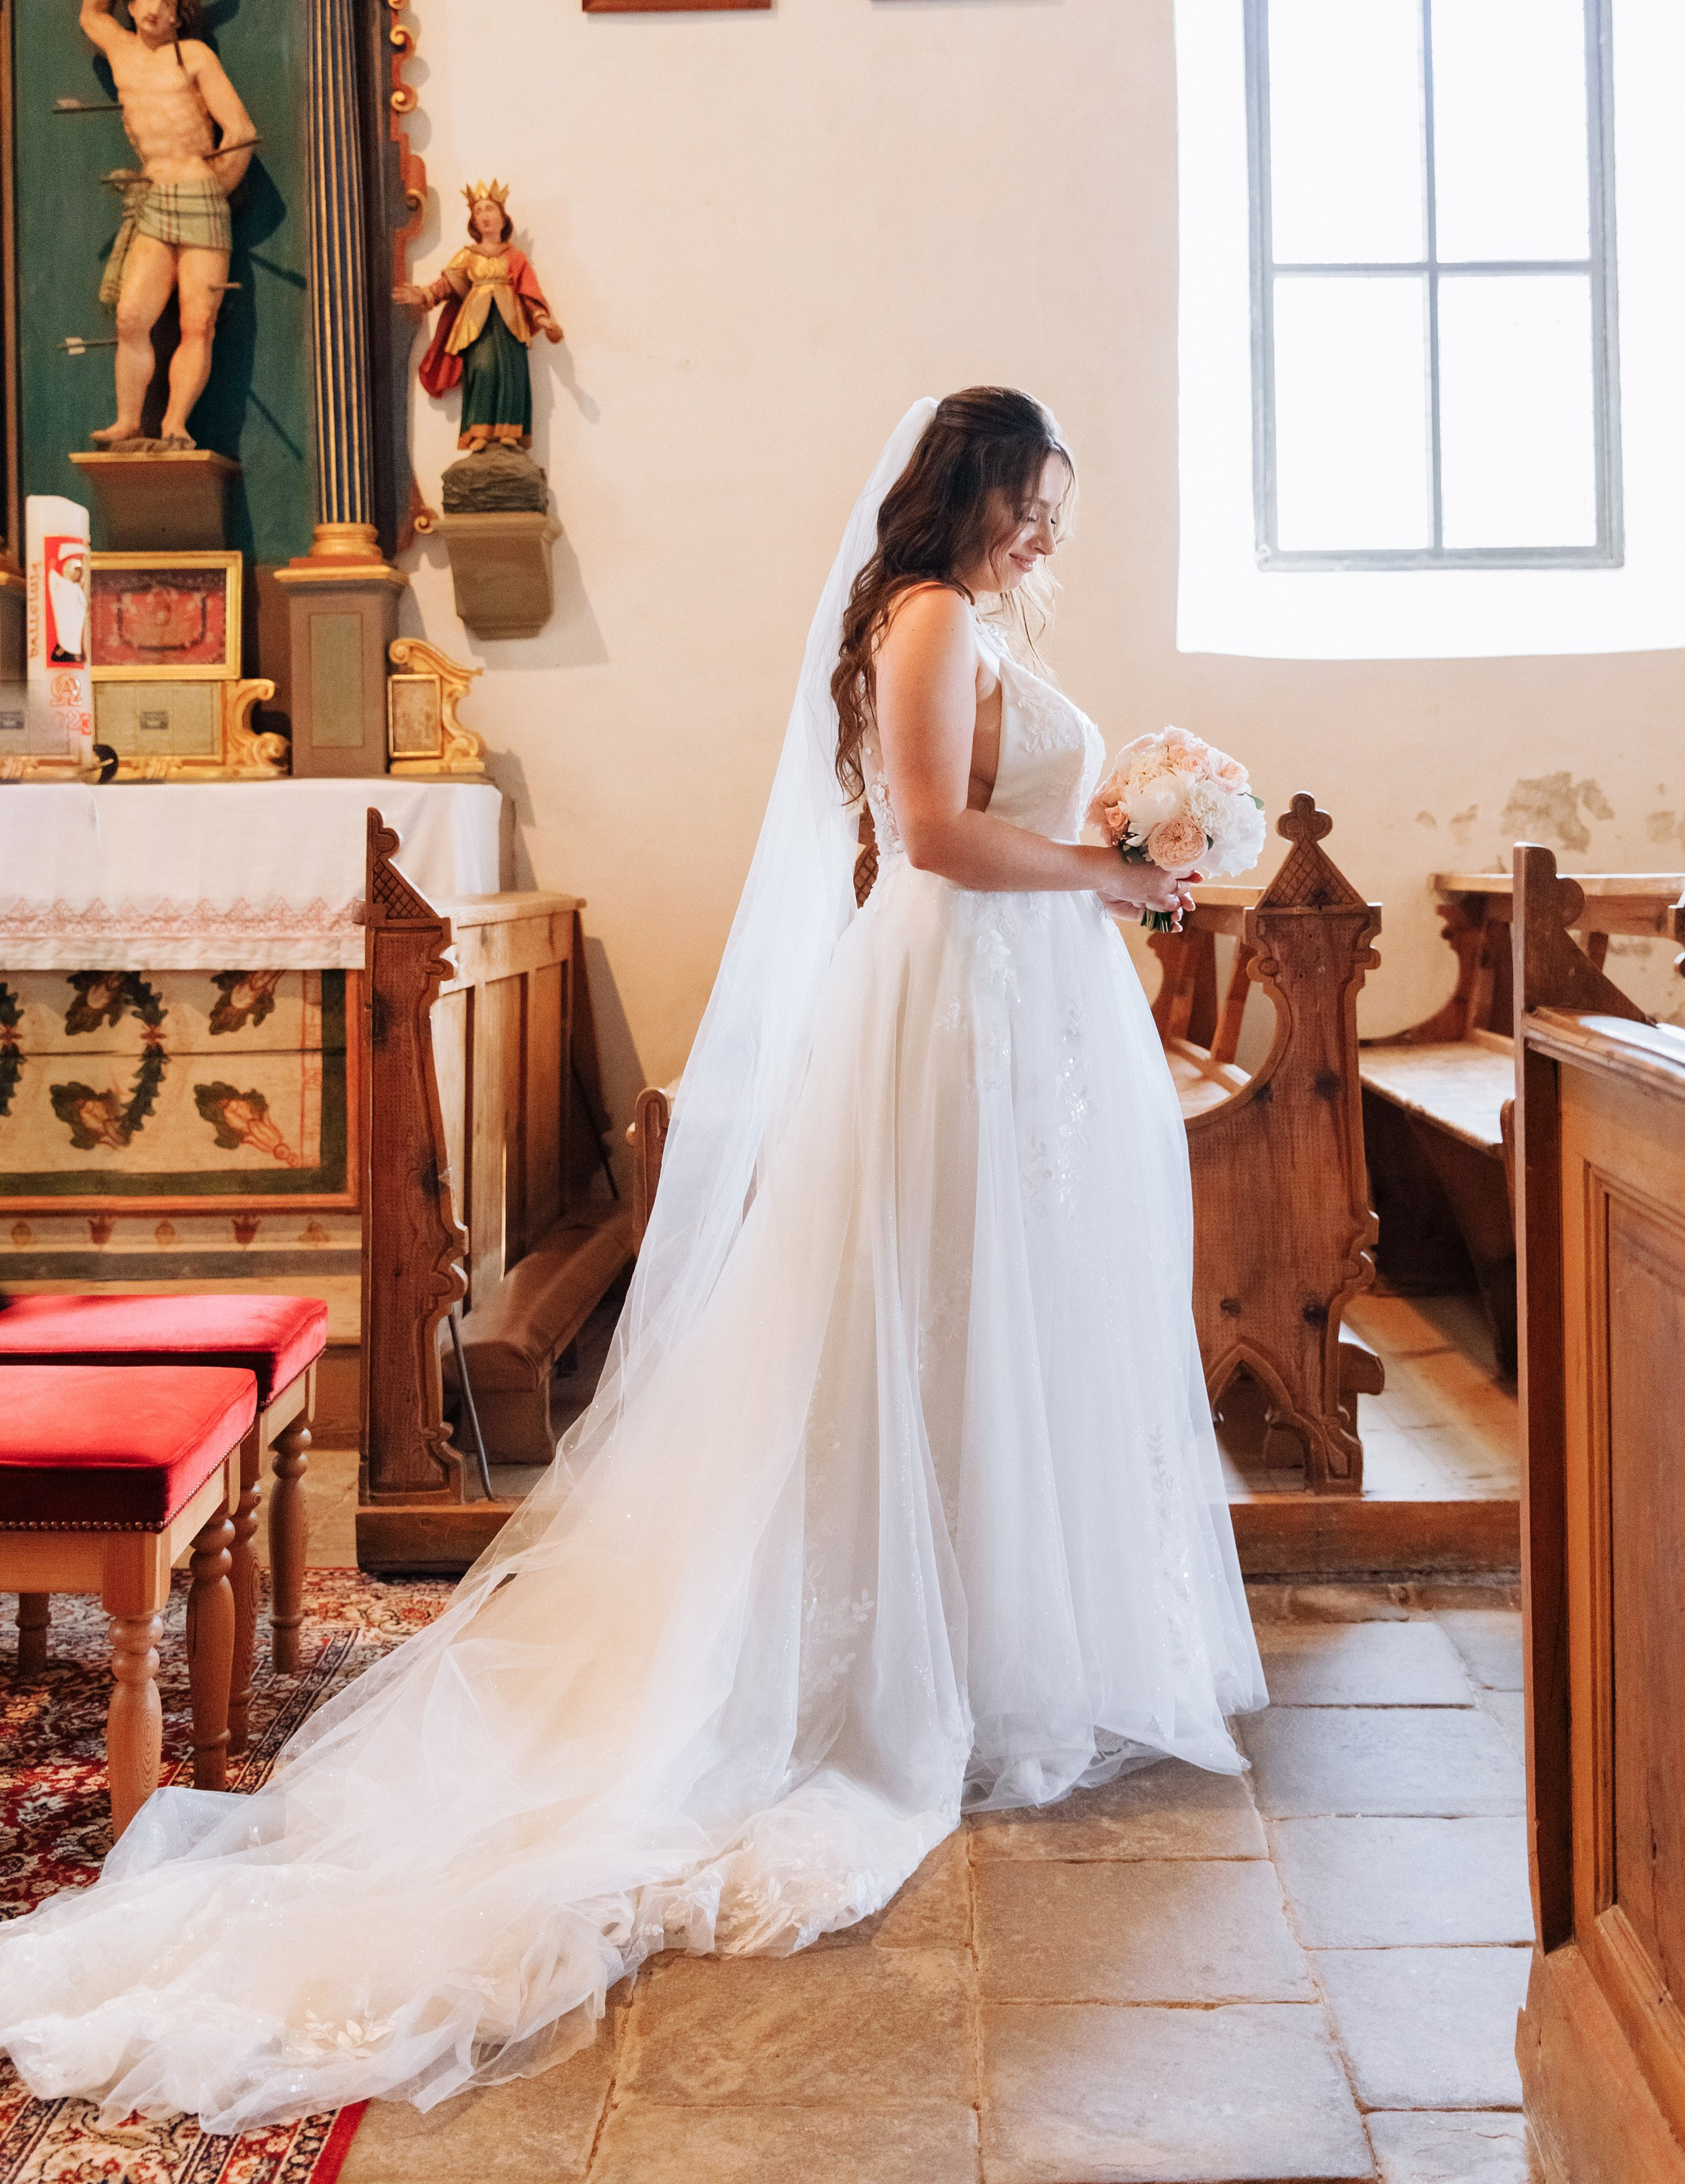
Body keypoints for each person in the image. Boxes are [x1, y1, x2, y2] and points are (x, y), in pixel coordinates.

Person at [0, 388, 1262, 2133]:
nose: (1047, 534)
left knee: (996, 1327)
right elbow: (925, 831)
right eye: (1033, 503)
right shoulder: (925, 615)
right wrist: (1110, 871)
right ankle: (894, 1650)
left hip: (1012, 990)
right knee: (922, 1320)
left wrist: (1122, 859)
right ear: (971, 492)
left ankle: (978, 1627)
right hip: (956, 987)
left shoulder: (970, 615)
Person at [76, 0, 256, 450]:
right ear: (131, 6)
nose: (156, 8)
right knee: (132, 316)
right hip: (155, 198)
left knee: (197, 322)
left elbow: (240, 130)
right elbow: (89, 11)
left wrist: (213, 186)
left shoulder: (193, 56)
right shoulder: (120, 50)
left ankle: (175, 422)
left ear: (179, 18)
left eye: (167, 3)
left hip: (200, 194)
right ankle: (129, 420)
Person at [394, 180, 564, 448]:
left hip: (510, 323)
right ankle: (478, 430)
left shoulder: (515, 257)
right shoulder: (468, 256)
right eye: (478, 212)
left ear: (502, 218)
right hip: (476, 323)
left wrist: (542, 318)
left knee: (511, 372)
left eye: (489, 210)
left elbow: (528, 290)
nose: (484, 216)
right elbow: (447, 285)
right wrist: (425, 294)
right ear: (474, 222)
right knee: (482, 369)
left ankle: (511, 429)